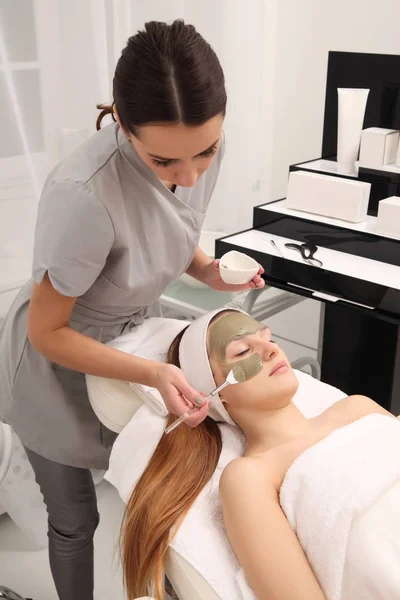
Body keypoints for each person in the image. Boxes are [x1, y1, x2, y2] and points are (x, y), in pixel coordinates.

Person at [0, 21, 265, 600]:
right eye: (165, 161)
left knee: (161, 502)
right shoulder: (82, 195)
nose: (190, 174)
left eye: (206, 151)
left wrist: (209, 271)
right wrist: (153, 373)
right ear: (121, 119)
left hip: (135, 341)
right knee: (74, 519)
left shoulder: (193, 145)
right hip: (58, 360)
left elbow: (163, 228)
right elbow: (48, 331)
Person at [121, 308, 400, 600]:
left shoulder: (357, 408)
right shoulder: (250, 477)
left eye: (269, 337)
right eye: (243, 351)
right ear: (212, 391)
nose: (271, 349)